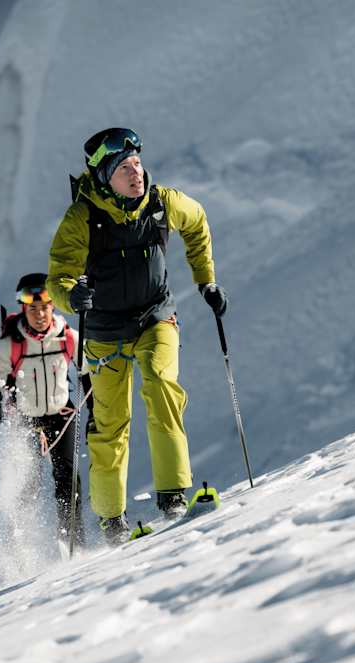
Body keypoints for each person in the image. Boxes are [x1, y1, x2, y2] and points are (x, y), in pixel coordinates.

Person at [47, 127, 228, 546]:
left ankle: (173, 498)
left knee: (162, 386)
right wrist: (71, 295)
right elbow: (59, 277)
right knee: (110, 425)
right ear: (104, 177)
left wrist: (207, 282)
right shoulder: (82, 219)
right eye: (125, 168)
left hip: (155, 318)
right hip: (105, 332)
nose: (136, 174)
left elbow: (197, 222)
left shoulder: (162, 204)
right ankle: (112, 521)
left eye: (138, 164)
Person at [0, 273, 85, 547]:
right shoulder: (12, 344)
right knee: (29, 485)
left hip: (61, 414)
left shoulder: (68, 337)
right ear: (24, 308)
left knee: (68, 479)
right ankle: (20, 543)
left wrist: (94, 401)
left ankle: (71, 540)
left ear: (53, 306)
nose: (40, 314)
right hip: (26, 419)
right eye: (33, 308)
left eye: (45, 307)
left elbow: (88, 371)